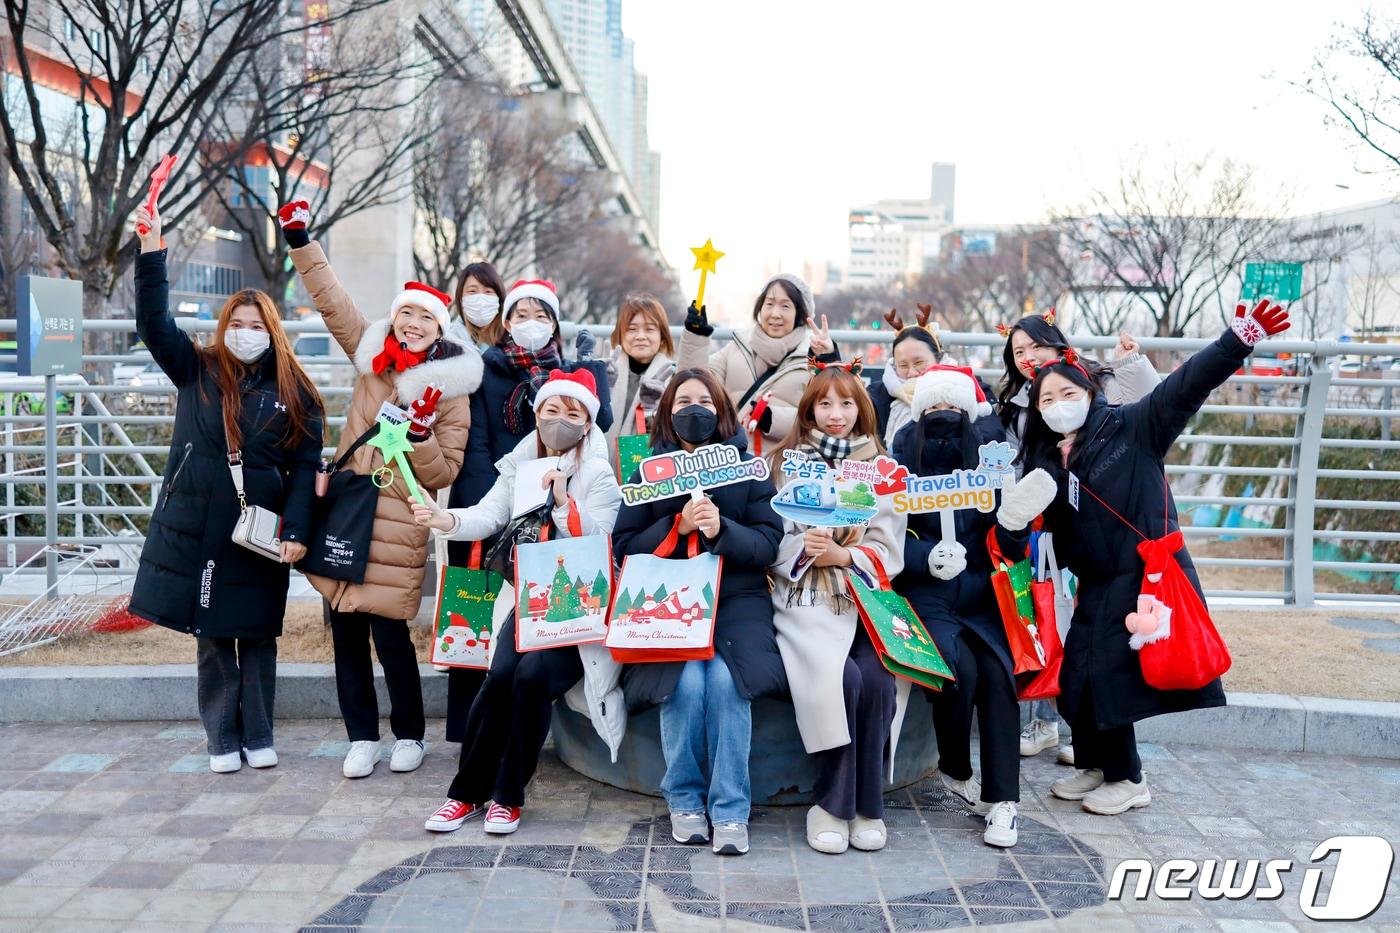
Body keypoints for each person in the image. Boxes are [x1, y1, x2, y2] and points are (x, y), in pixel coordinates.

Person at [1017, 299, 1290, 816]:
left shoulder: (1132, 427)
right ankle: (1095, 765)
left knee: (1108, 676)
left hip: (1146, 574)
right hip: (1097, 579)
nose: (1057, 404)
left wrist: (1237, 340)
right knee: (1076, 675)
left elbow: (1185, 387)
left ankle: (1128, 778)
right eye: (1046, 398)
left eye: (1067, 392)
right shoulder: (1051, 459)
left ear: (1089, 391)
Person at [280, 200, 481, 779]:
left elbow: (443, 473)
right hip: (347, 513)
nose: (412, 325)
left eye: (424, 319)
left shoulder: (451, 391)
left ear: (440, 330)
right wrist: (300, 239)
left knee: (392, 635)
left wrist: (417, 434)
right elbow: (332, 303)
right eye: (405, 315)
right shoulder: (370, 361)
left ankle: (410, 734)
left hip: (397, 521)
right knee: (344, 632)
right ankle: (361, 736)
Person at [128, 205, 324, 774]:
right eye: (236, 325)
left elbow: (308, 465)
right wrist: (152, 248)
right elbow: (152, 323)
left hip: (262, 534)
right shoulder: (197, 368)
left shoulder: (298, 390)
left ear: (273, 330)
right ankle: (221, 739)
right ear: (223, 328)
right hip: (204, 530)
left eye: (256, 325)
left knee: (260, 636)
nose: (245, 334)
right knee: (212, 637)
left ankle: (259, 735)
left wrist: (298, 533)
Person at [414, 370, 624, 835]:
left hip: (578, 607)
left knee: (531, 678)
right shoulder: (519, 464)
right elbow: (488, 514)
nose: (561, 421)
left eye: (574, 413)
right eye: (552, 410)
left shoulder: (598, 472)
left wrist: (566, 504)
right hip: (529, 600)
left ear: (588, 423)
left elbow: (605, 537)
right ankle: (466, 793)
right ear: (536, 413)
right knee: (502, 675)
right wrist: (444, 518)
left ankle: (509, 796)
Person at [611, 369, 784, 856]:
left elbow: (768, 543)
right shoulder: (646, 474)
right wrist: (675, 524)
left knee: (729, 684)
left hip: (736, 601)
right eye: (683, 399)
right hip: (666, 603)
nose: (695, 408)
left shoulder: (748, 469)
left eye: (705, 400)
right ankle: (683, 797)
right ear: (667, 412)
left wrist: (719, 529)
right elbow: (624, 548)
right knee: (683, 685)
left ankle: (731, 808)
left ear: (722, 410)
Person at [891, 367, 1056, 848]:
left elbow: (1010, 543)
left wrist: (1013, 521)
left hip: (986, 592)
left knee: (997, 674)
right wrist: (925, 558)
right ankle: (955, 765)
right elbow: (890, 532)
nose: (943, 416)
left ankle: (1006, 801)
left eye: (953, 407)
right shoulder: (903, 452)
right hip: (928, 593)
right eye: (933, 408)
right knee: (956, 666)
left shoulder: (993, 457)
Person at [443, 278, 613, 743]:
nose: (531, 325)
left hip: (552, 516)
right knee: (477, 625)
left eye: (541, 316)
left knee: (531, 647)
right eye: (521, 316)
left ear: (555, 323)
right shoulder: (486, 366)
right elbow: (476, 442)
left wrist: (592, 368)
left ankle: (521, 738)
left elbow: (596, 427)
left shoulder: (570, 373)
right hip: (500, 499)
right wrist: (490, 509)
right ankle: (469, 734)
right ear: (506, 321)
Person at [996, 312, 1159, 767]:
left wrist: (1131, 364)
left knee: (1087, 633)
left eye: (1035, 347)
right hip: (1048, 527)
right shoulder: (1013, 403)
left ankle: (1100, 746)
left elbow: (1151, 411)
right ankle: (1052, 723)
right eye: (1018, 352)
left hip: (1106, 535)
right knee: (1046, 619)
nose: (1028, 358)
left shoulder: (1091, 383)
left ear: (1057, 345)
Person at [766, 362, 905, 855]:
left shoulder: (882, 470)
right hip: (805, 598)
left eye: (846, 403)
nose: (835, 414)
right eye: (824, 403)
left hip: (862, 596)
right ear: (808, 409)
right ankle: (831, 803)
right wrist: (806, 547)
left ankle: (869, 805)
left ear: (861, 409)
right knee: (838, 677)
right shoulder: (785, 463)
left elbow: (891, 552)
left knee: (879, 678)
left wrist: (845, 555)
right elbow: (772, 540)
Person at [678, 273, 836, 454]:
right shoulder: (736, 348)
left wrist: (772, 419)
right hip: (729, 465)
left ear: (800, 314)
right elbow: (691, 385)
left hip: (784, 469)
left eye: (785, 306)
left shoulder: (813, 358)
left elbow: (830, 418)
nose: (775, 314)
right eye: (769, 304)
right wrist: (694, 338)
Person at [605, 293, 676, 456]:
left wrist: (652, 409)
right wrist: (603, 388)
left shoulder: (672, 378)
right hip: (602, 469)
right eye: (631, 329)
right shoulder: (606, 370)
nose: (640, 336)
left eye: (650, 329)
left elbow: (672, 436)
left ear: (662, 337)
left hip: (647, 470)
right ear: (620, 335)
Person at [868, 306, 950, 447]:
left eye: (919, 363)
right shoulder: (877, 395)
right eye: (903, 366)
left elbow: (989, 434)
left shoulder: (964, 386)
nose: (911, 373)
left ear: (938, 358)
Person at [452, 261, 506, 349]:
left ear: (499, 298)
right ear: (460, 297)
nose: (481, 299)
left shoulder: (513, 341)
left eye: (488, 291)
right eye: (472, 291)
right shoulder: (449, 341)